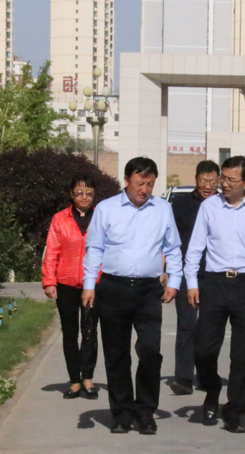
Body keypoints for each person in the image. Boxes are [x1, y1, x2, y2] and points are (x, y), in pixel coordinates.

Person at [82, 157, 183, 435]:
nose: (145, 189)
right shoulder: (106, 209)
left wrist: (174, 281)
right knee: (116, 354)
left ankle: (145, 410)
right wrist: (89, 285)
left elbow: (173, 248)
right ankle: (122, 413)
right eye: (140, 183)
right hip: (113, 288)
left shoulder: (162, 210)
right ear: (127, 180)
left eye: (150, 184)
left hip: (149, 291)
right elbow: (94, 248)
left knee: (150, 351)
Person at [185, 156, 245, 433]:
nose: (224, 184)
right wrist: (192, 282)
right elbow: (195, 247)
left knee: (243, 354)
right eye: (223, 177)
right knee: (203, 349)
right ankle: (212, 389)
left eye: (231, 179)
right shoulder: (209, 206)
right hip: (214, 284)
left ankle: (236, 410)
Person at [42, 175, 100, 400]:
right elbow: (52, 251)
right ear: (71, 194)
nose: (84, 197)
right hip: (65, 284)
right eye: (79, 193)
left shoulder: (101, 217)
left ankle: (88, 378)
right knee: (70, 333)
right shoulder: (60, 219)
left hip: (93, 284)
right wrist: (49, 280)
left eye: (89, 193)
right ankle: (74, 380)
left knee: (90, 331)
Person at [168, 160, 220, 395]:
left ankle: (207, 375)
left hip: (214, 275)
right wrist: (168, 271)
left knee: (210, 328)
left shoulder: (224, 204)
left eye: (212, 181)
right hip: (186, 273)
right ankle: (184, 377)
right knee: (187, 324)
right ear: (196, 180)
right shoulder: (180, 205)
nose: (208, 186)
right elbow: (170, 240)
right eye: (203, 181)